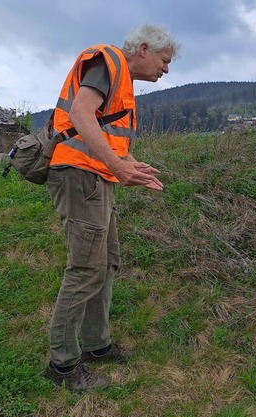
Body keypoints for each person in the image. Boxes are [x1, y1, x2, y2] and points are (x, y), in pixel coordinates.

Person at [44, 24, 179, 391]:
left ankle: (96, 344)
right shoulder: (108, 62)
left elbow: (107, 137)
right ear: (145, 49)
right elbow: (81, 115)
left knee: (107, 260)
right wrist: (119, 167)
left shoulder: (122, 79)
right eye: (165, 61)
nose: (166, 70)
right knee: (86, 267)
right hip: (79, 175)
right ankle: (63, 366)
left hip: (96, 177)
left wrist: (127, 163)